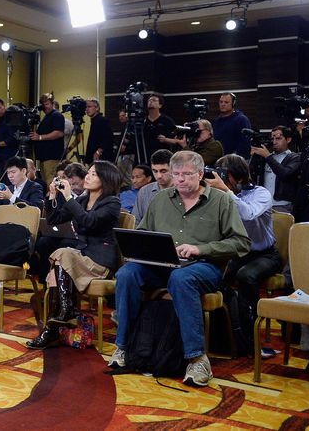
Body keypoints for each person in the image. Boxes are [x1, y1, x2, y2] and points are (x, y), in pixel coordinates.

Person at [109, 151, 250, 387]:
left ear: (200, 174)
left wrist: (200, 249)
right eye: (176, 174)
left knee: (181, 278)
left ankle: (197, 359)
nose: (180, 179)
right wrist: (143, 247)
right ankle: (123, 347)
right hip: (163, 264)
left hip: (204, 266)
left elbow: (241, 243)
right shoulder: (161, 199)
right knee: (127, 273)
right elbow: (143, 232)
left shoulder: (221, 201)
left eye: (187, 174)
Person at [27, 161, 123, 349]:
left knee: (62, 254)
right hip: (81, 257)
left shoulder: (112, 203)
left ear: (106, 179)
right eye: (89, 173)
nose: (88, 176)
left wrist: (69, 197)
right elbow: (54, 219)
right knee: (57, 268)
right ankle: (57, 322)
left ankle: (60, 319)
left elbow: (88, 221)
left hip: (99, 261)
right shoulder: (82, 200)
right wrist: (52, 196)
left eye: (94, 174)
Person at [205, 154, 281, 315]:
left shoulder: (261, 193)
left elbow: (248, 213)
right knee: (215, 277)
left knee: (245, 276)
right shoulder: (222, 195)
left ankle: (252, 319)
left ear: (239, 176)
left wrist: (226, 191)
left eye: (225, 175)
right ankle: (232, 318)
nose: (221, 179)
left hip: (265, 255)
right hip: (238, 253)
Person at [250, 126, 301, 213]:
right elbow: (253, 174)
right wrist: (254, 156)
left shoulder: (294, 157)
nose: (274, 142)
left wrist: (268, 156)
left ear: (288, 140)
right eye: (272, 139)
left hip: (282, 204)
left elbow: (284, 173)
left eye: (278, 139)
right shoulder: (266, 156)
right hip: (264, 204)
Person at [30, 93, 66, 183]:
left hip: (51, 156)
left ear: (52, 104)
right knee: (46, 181)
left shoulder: (57, 115)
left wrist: (40, 137)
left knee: (51, 181)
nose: (45, 107)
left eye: (47, 104)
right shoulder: (47, 117)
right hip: (44, 156)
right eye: (43, 104)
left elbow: (59, 133)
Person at [132, 149, 174, 224]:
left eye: (163, 171)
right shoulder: (144, 192)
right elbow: (135, 221)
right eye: (155, 171)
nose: (159, 176)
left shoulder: (183, 191)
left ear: (173, 169)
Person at [212, 92, 252, 158]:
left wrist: (235, 159)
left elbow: (245, 143)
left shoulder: (241, 119)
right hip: (218, 159)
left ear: (233, 104)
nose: (223, 104)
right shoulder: (216, 121)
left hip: (234, 160)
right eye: (221, 102)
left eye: (226, 102)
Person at [144, 94, 177, 160]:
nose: (150, 102)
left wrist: (165, 140)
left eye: (154, 100)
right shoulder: (142, 121)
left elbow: (176, 140)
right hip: (144, 156)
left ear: (160, 105)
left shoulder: (167, 121)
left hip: (161, 157)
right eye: (149, 100)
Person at [83, 98, 115, 164]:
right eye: (86, 107)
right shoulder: (94, 121)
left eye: (89, 107)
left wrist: (98, 151)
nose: (87, 109)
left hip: (101, 159)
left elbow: (108, 138)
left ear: (97, 108)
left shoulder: (102, 120)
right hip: (96, 159)